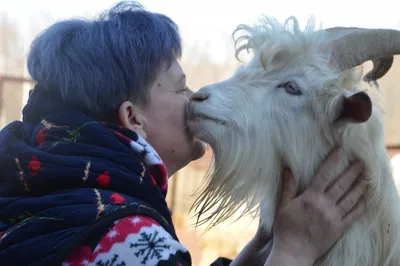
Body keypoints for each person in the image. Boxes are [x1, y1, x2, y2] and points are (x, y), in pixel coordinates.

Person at [0, 1, 367, 265]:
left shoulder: (43, 200)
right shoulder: (129, 238)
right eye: (180, 87)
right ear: (133, 117)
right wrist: (295, 252)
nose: (196, 97)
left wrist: (259, 251)